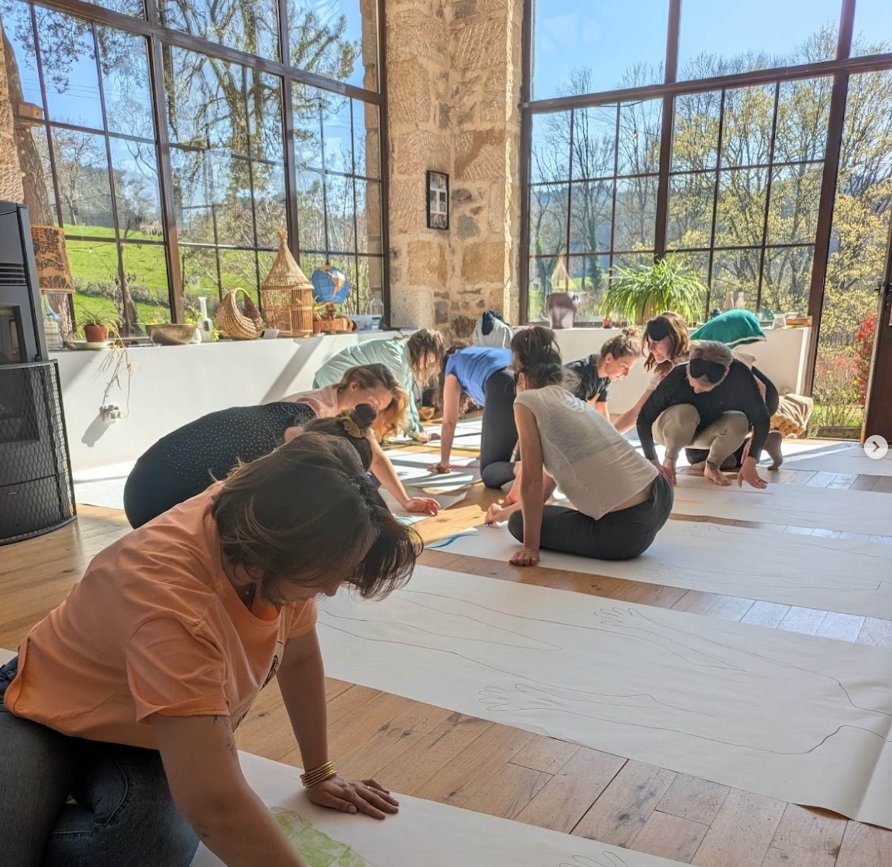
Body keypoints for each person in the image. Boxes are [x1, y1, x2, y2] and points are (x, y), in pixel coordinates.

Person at [1, 434, 421, 867]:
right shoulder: (173, 607)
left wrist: (319, 772)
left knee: (151, 845)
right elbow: (216, 809)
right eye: (324, 577)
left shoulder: (267, 520)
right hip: (41, 706)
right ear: (265, 559)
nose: (331, 588)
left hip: (138, 729)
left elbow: (298, 655)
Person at [485, 326, 673, 565]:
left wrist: (530, 547)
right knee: (521, 516)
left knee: (519, 524)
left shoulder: (526, 400)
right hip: (661, 498)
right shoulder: (568, 399)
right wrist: (502, 514)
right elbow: (544, 485)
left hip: (626, 533)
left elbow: (531, 479)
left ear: (521, 377)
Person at [124, 389, 439, 529]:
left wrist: (403, 502)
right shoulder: (286, 458)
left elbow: (372, 455)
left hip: (146, 479)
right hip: (156, 501)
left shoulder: (310, 419)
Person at [637, 340, 771, 489]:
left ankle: (712, 466)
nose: (696, 391)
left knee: (739, 421)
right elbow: (644, 418)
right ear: (689, 366)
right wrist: (652, 460)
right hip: (669, 428)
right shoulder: (677, 376)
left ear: (725, 373)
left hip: (705, 430)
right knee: (686, 412)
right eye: (693, 384)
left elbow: (762, 419)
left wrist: (751, 461)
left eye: (704, 388)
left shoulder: (739, 374)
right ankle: (669, 460)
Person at [311, 329, 446, 442]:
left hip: (332, 378)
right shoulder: (397, 360)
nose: (426, 365)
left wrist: (419, 429)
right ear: (421, 349)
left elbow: (408, 396)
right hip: (331, 379)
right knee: (333, 432)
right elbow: (401, 400)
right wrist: (414, 433)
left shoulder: (402, 355)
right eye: (427, 360)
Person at [432, 345, 516, 489]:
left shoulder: (452, 365)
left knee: (489, 472)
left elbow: (449, 422)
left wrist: (444, 462)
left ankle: (520, 469)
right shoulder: (479, 354)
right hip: (526, 376)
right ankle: (528, 467)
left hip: (501, 383)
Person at [283, 363, 409, 443]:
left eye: (379, 410)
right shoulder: (315, 408)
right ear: (354, 386)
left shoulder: (352, 416)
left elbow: (377, 459)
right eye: (373, 403)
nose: (374, 413)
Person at [611, 312, 691, 432]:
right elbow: (637, 413)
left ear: (673, 337)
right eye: (649, 344)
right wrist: (608, 437)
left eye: (656, 343)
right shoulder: (664, 372)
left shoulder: (696, 357)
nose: (651, 349)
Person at [563, 328, 641, 424]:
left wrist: (610, 435)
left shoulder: (605, 377)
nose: (626, 374)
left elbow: (602, 410)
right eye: (624, 366)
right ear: (609, 358)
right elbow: (577, 417)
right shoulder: (580, 375)